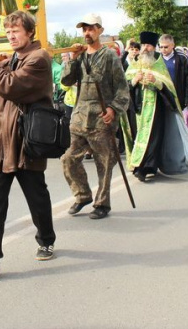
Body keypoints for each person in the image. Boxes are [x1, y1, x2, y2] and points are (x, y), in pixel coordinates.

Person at [0, 10, 57, 279]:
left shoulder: (39, 59)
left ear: (30, 33)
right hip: (0, 144)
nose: (11, 35)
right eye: (8, 32)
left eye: (16, 30)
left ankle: (46, 239)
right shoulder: (12, 60)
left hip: (26, 142)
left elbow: (10, 88)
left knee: (36, 198)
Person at [60, 13, 130, 220]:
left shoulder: (109, 56)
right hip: (80, 116)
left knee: (105, 161)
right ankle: (82, 195)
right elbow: (66, 81)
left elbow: (122, 88)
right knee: (68, 159)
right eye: (84, 29)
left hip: (102, 117)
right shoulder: (79, 55)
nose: (87, 33)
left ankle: (102, 203)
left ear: (99, 30)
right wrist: (72, 60)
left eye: (91, 28)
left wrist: (113, 109)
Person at [127, 31, 188, 181]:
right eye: (144, 45)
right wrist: (134, 81)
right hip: (137, 107)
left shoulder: (159, 63)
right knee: (138, 137)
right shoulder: (134, 63)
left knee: (153, 138)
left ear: (154, 47)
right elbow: (123, 85)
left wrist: (156, 81)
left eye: (149, 45)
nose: (146, 48)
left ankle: (144, 168)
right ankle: (139, 165)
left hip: (156, 108)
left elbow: (168, 86)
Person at [158, 34, 188, 110]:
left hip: (178, 97)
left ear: (172, 45)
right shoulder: (157, 59)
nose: (163, 49)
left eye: (166, 47)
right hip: (162, 97)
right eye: (161, 47)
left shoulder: (182, 58)